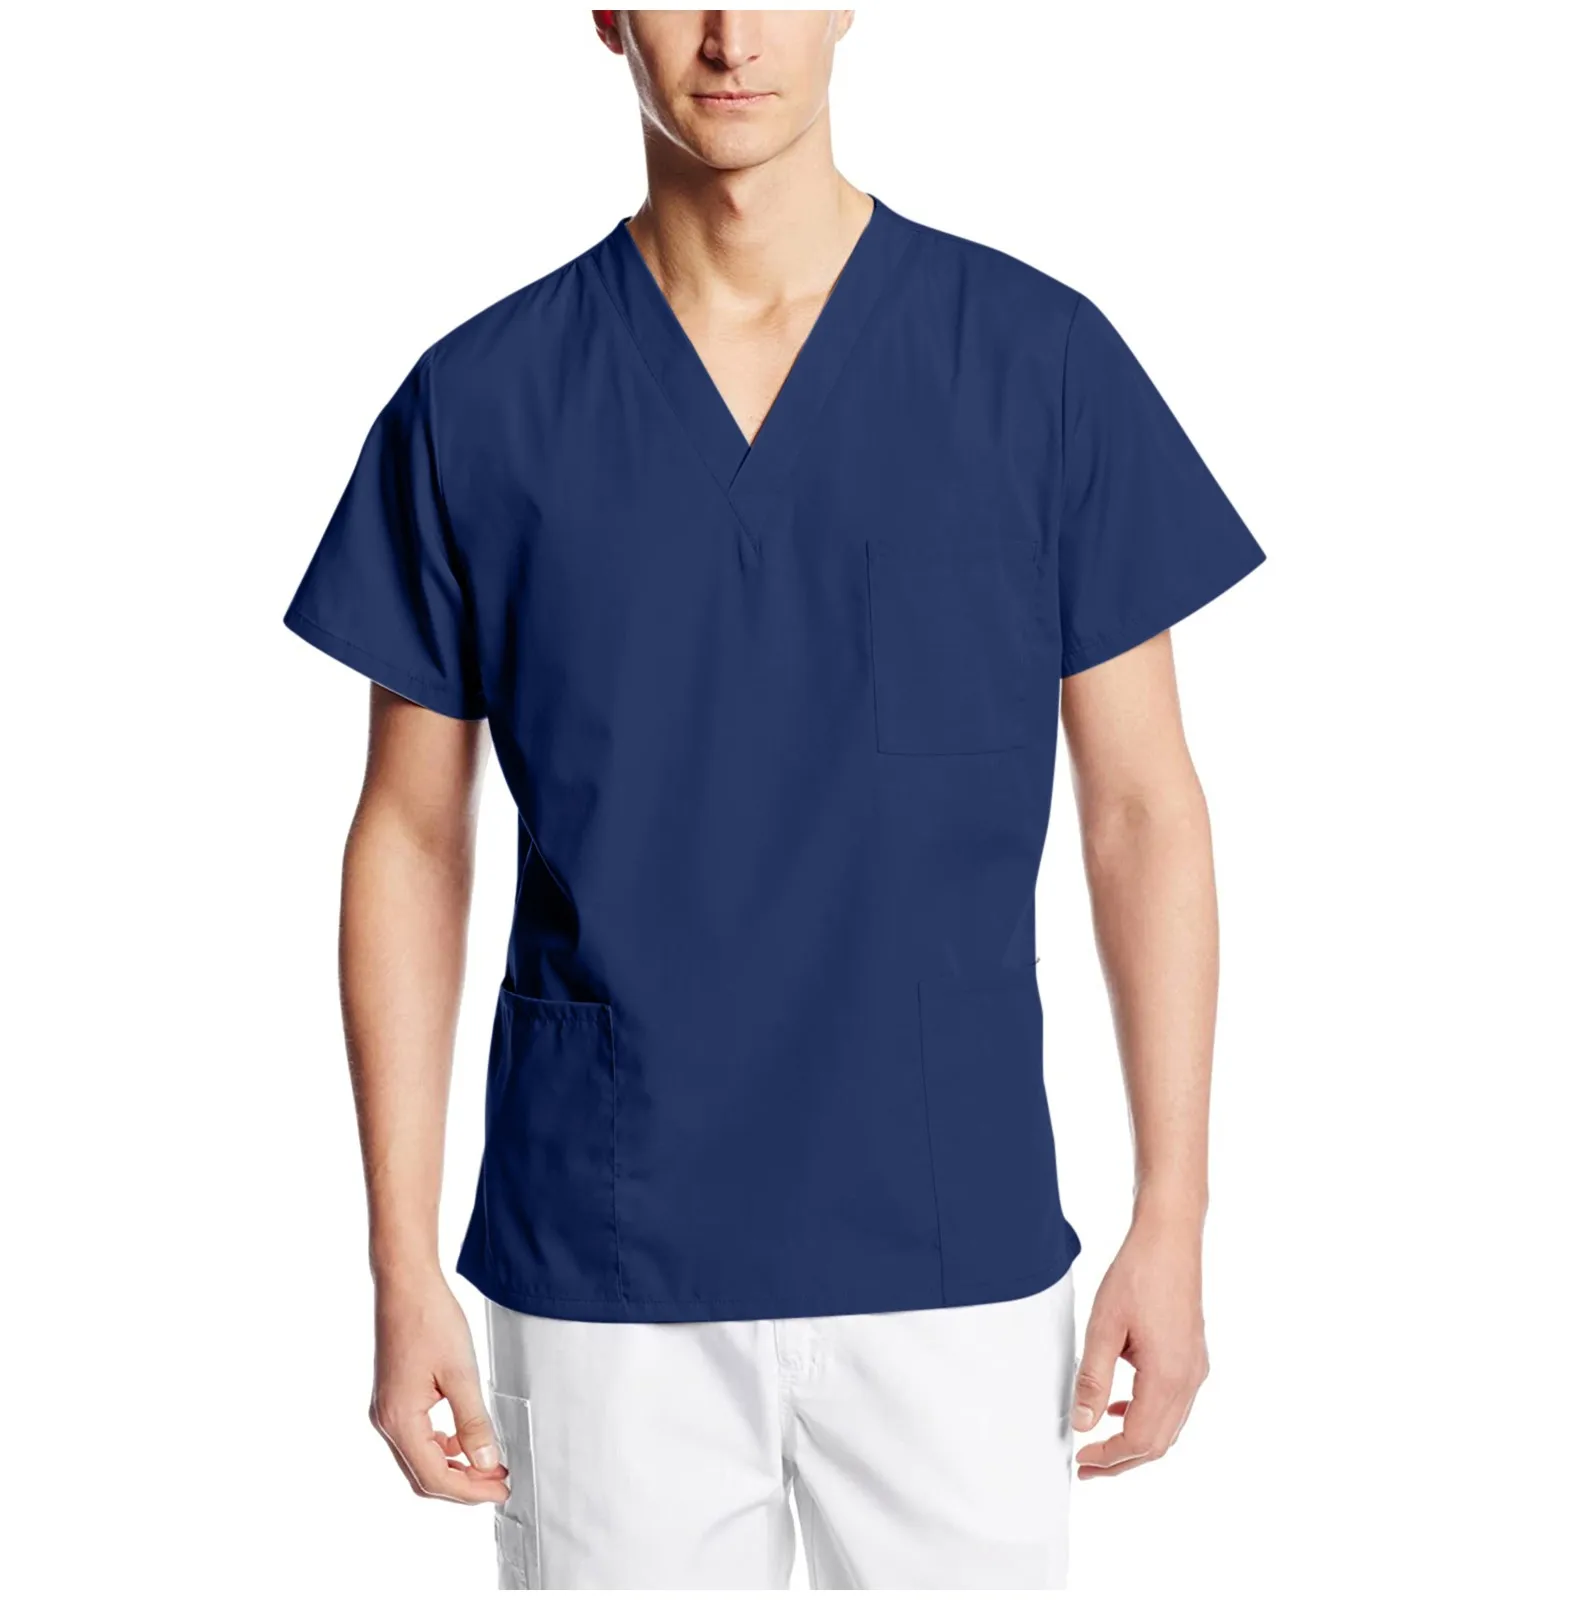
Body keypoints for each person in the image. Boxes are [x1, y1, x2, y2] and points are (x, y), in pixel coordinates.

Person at [283, 9, 1264, 1590]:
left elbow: (1144, 809)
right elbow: (408, 834)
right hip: (606, 1262)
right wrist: (401, 1268)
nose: (733, 34)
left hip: (953, 1251)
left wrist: (1177, 1211)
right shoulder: (483, 403)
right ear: (606, 12)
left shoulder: (1035, 364)